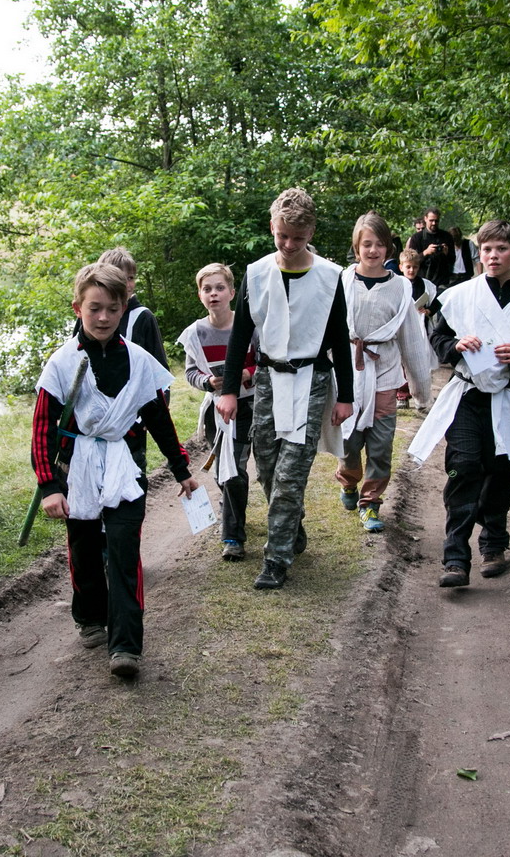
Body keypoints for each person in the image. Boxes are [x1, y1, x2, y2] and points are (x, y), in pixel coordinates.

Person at [33, 262, 199, 679]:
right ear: (78, 308)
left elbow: (158, 418)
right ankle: (90, 616)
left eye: (112, 308)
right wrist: (50, 486)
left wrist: (181, 469)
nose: (103, 317)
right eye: (95, 309)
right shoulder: (62, 363)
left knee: (124, 552)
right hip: (79, 470)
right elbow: (42, 429)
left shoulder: (140, 362)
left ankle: (125, 645)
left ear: (124, 308)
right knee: (85, 548)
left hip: (124, 468)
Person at [215, 187, 355, 590]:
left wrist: (346, 396)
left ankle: (276, 559)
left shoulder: (329, 276)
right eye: (282, 236)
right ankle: (292, 525)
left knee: (292, 473)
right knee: (267, 466)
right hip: (267, 380)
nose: (290, 244)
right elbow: (240, 335)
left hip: (311, 380)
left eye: (298, 237)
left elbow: (339, 338)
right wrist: (228, 390)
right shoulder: (257, 273)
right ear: (272, 228)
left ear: (311, 232)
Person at [408, 219, 510, 587]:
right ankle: (455, 558)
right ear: (480, 253)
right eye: (488, 249)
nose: (494, 256)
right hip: (468, 396)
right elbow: (439, 336)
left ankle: (493, 546)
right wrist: (456, 346)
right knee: (463, 468)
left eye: (501, 249)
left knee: (501, 472)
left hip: (507, 398)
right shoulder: (462, 295)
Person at [337, 213, 433, 532]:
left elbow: (412, 341)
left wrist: (421, 390)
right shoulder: (342, 281)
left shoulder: (401, 287)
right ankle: (349, 480)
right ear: (356, 247)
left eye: (379, 244)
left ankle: (370, 503)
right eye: (367, 244)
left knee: (380, 445)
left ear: (389, 248)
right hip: (349, 375)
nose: (373, 250)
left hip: (385, 374)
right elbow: (329, 332)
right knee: (349, 443)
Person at [178, 263, 258, 561]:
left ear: (232, 293)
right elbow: (190, 372)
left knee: (234, 470)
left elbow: (266, 361)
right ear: (200, 295)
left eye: (220, 288)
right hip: (216, 411)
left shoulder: (250, 326)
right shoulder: (195, 334)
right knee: (223, 473)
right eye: (207, 289)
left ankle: (233, 537)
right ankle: (232, 505)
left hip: (249, 405)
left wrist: (248, 373)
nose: (214, 294)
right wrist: (208, 381)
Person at [97, 247, 170, 371]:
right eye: (120, 278)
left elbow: (159, 367)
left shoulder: (143, 316)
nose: (127, 285)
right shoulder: (89, 315)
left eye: (130, 278)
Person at [394, 247, 438, 409]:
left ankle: (422, 397)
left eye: (415, 267)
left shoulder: (426, 285)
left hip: (421, 330)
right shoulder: (396, 284)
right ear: (401, 267)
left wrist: (428, 310)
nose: (411, 270)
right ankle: (402, 395)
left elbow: (437, 302)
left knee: (421, 364)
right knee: (401, 363)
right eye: (408, 267)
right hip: (401, 330)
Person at [407, 207, 456, 289]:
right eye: (431, 220)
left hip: (442, 281)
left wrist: (446, 253)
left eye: (436, 221)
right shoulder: (417, 238)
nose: (434, 223)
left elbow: (453, 260)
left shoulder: (446, 236)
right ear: (425, 219)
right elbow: (410, 261)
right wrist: (425, 253)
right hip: (422, 281)